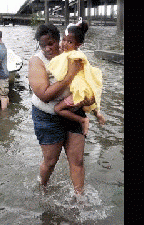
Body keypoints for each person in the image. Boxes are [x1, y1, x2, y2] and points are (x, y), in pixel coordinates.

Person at [28, 24, 95, 196]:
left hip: (73, 112)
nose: (47, 48)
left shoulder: (71, 53)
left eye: (51, 43)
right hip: (47, 115)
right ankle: (42, 187)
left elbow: (87, 79)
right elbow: (44, 95)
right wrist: (68, 78)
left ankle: (80, 199)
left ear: (60, 41)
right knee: (51, 161)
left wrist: (90, 99)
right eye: (43, 45)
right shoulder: (37, 61)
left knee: (77, 161)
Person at [50, 20, 106, 136]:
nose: (64, 44)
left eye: (69, 42)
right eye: (64, 40)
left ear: (78, 45)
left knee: (58, 109)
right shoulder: (77, 54)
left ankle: (83, 120)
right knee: (89, 103)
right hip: (85, 88)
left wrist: (46, 73)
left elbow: (61, 72)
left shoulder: (73, 56)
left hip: (79, 89)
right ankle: (98, 114)